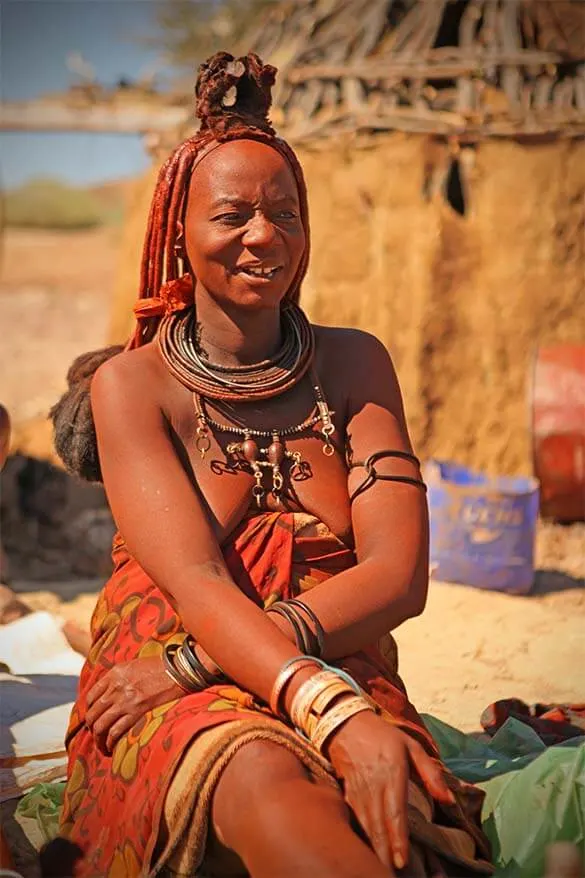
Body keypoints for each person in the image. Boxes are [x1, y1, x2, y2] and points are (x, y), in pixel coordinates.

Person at [51, 53, 493, 877]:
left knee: (390, 807)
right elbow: (196, 582)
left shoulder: (354, 365)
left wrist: (328, 700)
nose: (264, 237)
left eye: (284, 213)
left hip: (299, 659)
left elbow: (400, 578)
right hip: (161, 661)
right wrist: (329, 713)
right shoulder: (135, 386)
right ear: (177, 234)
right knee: (260, 777)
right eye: (232, 216)